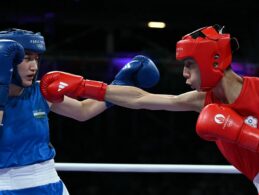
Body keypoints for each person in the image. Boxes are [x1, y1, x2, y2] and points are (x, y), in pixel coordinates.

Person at [41, 24, 259, 194]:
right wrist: (83, 87)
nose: (184, 73)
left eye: (189, 64)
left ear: (212, 61)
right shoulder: (202, 100)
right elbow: (141, 99)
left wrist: (245, 135)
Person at [0, 28, 160, 194]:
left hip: (48, 182)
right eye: (26, 59)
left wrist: (119, 84)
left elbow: (83, 110)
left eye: (36, 59)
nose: (34, 67)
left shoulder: (41, 91)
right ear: (7, 61)